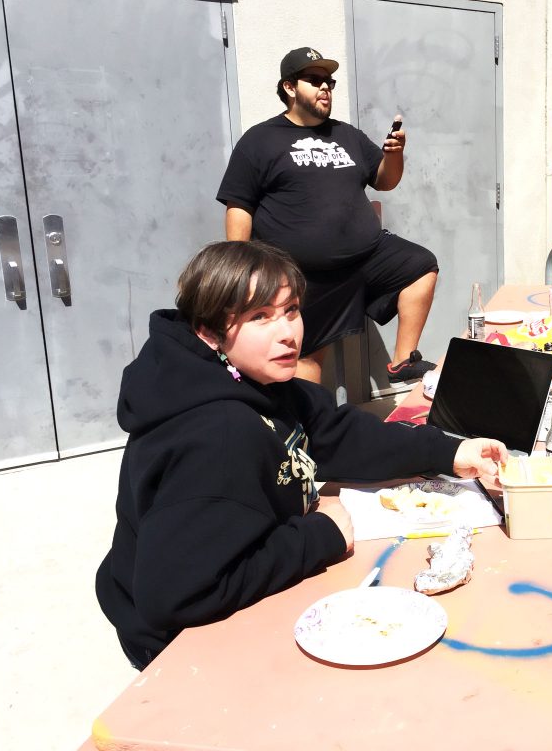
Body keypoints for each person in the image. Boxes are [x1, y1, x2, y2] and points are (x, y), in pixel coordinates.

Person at [95, 241, 506, 669]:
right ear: (209, 332)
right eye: (260, 317)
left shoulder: (258, 381)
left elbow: (339, 433)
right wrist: (319, 537)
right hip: (177, 648)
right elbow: (176, 594)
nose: (288, 333)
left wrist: (450, 450)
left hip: (223, 592)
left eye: (291, 310)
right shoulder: (218, 435)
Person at [216, 47, 438, 384]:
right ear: (289, 87)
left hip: (365, 258)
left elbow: (385, 181)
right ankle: (313, 431)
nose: (325, 88)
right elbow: (239, 205)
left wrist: (395, 155)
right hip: (304, 276)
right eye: (315, 80)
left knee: (420, 265)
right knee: (304, 360)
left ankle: (403, 361)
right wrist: (239, 271)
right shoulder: (259, 140)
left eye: (329, 82)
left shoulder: (346, 135)